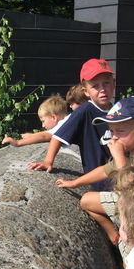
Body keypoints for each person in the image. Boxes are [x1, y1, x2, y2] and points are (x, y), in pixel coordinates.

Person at [55, 97, 134, 260]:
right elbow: (105, 170)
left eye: (120, 131)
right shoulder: (132, 151)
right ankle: (113, 233)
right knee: (87, 201)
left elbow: (132, 189)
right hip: (131, 212)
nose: (114, 138)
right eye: (112, 131)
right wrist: (75, 182)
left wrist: (119, 157)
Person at [28, 58, 114, 191]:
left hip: (118, 176)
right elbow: (58, 136)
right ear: (85, 91)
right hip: (99, 182)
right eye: (95, 86)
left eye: (106, 83)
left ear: (113, 84)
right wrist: (48, 161)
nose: (102, 89)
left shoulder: (117, 110)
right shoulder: (85, 111)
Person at [2, 94, 69, 147]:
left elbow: (44, 136)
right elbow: (45, 134)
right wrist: (32, 136)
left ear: (53, 117)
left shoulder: (62, 126)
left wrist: (18, 143)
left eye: (43, 121)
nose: (43, 125)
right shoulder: (69, 121)